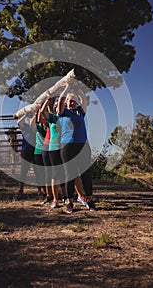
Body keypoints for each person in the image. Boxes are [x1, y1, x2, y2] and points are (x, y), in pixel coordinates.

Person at [57, 81, 96, 213]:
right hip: (67, 146)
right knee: (70, 174)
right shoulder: (62, 112)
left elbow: (84, 99)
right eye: (70, 101)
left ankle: (89, 200)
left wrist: (78, 89)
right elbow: (61, 101)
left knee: (85, 173)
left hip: (83, 145)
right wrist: (67, 87)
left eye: (74, 101)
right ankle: (69, 202)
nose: (72, 103)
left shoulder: (80, 112)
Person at [41, 97, 67, 209]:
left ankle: (66, 196)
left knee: (64, 173)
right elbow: (43, 112)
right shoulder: (53, 118)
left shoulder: (67, 118)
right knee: (55, 174)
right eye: (57, 105)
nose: (59, 106)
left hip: (65, 148)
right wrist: (48, 100)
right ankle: (55, 200)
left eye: (61, 105)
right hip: (54, 148)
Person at [16, 114, 44, 199]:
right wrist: (25, 114)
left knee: (38, 171)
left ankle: (40, 191)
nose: (33, 119)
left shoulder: (37, 128)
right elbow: (19, 122)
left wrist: (35, 114)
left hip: (36, 151)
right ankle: (20, 190)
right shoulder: (25, 127)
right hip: (26, 151)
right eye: (31, 117)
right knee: (24, 171)